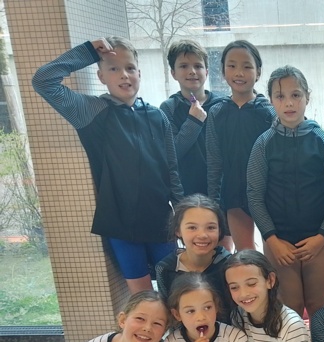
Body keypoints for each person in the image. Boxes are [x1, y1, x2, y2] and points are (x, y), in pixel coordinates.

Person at [32, 37, 182, 294]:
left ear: (139, 73)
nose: (124, 75)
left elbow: (172, 170)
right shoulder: (91, 111)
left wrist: (181, 214)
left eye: (130, 68)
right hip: (121, 224)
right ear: (101, 76)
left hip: (161, 221)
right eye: (114, 69)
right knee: (143, 298)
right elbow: (43, 81)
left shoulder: (157, 116)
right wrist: (88, 51)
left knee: (176, 291)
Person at [248, 65, 324, 319]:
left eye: (296, 95)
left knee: (319, 307)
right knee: (289, 308)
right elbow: (255, 196)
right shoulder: (263, 143)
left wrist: (322, 237)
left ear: (307, 97)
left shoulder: (323, 140)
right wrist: (272, 240)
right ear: (271, 100)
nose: (289, 103)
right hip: (279, 241)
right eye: (280, 96)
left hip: (318, 239)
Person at [206, 40, 275, 251]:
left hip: (270, 194)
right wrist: (213, 204)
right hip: (234, 194)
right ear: (223, 71)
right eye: (232, 66)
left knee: (274, 255)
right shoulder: (217, 112)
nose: (239, 72)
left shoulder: (269, 112)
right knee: (246, 255)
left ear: (258, 72)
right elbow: (214, 162)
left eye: (247, 66)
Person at [160, 40, 223, 197]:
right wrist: (194, 121)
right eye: (183, 66)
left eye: (198, 66)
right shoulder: (168, 108)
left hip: (222, 191)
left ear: (206, 72)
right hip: (187, 193)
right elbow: (172, 154)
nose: (192, 71)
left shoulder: (222, 105)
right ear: (173, 73)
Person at [155, 195, 232, 322]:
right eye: (192, 227)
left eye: (211, 227)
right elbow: (169, 314)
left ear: (220, 230)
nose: (202, 235)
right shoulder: (165, 269)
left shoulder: (229, 265)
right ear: (178, 231)